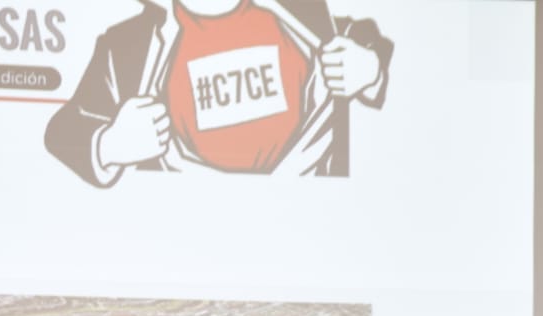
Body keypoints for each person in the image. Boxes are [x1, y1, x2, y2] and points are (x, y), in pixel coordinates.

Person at [45, 0, 392, 187]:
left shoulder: (308, 14)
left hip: (307, 241)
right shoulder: (124, 48)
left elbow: (373, 43)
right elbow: (62, 132)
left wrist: (371, 70)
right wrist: (110, 144)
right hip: (181, 250)